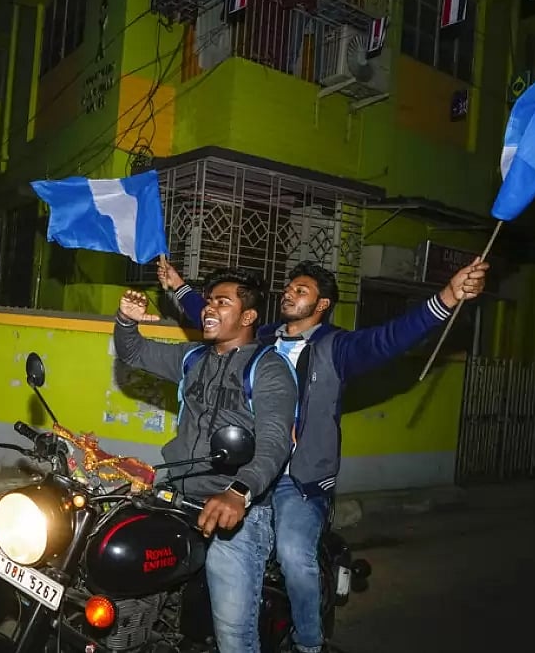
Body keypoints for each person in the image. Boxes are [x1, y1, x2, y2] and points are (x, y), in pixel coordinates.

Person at [158, 257, 489, 653]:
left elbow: (389, 338)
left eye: (302, 290)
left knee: (294, 555)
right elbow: (214, 311)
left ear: (322, 304)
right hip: (245, 469)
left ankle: (309, 642)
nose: (289, 293)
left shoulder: (337, 348)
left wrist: (448, 296)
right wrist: (178, 286)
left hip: (296, 478)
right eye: (289, 287)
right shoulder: (262, 337)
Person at [114, 267, 297, 653]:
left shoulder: (268, 369)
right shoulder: (192, 357)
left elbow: (275, 441)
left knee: (233, 635)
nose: (209, 308)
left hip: (234, 509)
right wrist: (126, 322)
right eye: (209, 300)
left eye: (222, 302)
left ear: (247, 316)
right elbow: (134, 352)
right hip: (175, 496)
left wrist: (239, 490)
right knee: (121, 568)